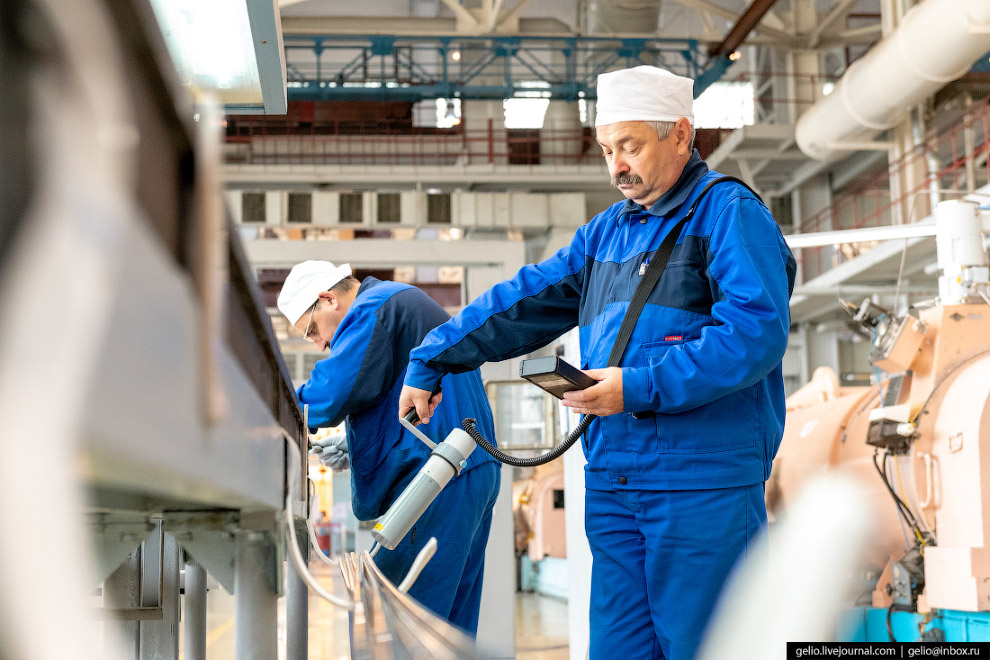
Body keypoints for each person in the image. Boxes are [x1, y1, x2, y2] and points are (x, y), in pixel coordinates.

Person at [400, 65, 796, 660]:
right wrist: (432, 356)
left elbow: (755, 332)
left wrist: (637, 387)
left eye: (630, 146)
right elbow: (522, 301)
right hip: (614, 480)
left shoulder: (727, 214)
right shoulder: (606, 234)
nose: (616, 166)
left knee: (708, 647)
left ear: (682, 136)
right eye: (607, 149)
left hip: (701, 484)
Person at [277, 261, 500, 635]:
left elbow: (330, 395)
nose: (320, 344)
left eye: (313, 330)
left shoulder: (374, 306)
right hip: (469, 470)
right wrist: (353, 442)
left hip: (434, 479)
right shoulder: (401, 304)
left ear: (328, 299)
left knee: (402, 625)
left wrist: (279, 411)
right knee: (449, 628)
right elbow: (394, 390)